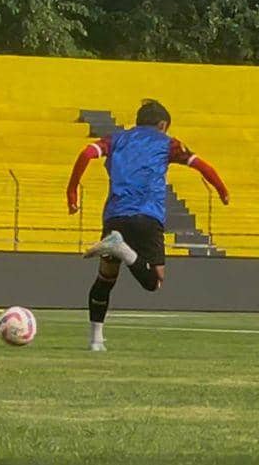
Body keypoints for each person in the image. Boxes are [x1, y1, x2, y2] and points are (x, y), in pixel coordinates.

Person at [66, 99, 229, 351]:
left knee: (105, 278)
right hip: (148, 215)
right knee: (154, 281)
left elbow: (86, 153)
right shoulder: (168, 143)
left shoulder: (116, 139)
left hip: (115, 216)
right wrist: (222, 191)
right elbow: (202, 166)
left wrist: (72, 193)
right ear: (163, 125)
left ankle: (96, 341)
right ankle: (123, 250)